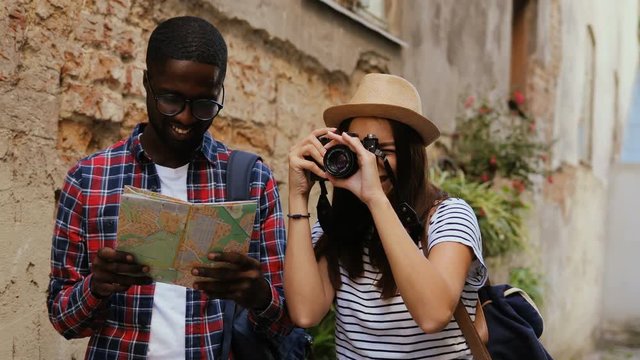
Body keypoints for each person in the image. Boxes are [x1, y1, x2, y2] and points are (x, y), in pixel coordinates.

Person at [47, 16, 290, 359]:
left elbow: (288, 322)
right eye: (171, 99)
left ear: (220, 91)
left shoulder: (252, 180)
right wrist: (96, 287)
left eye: (205, 103)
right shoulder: (88, 180)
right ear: (146, 83)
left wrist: (259, 296)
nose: (186, 118)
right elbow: (63, 320)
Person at [285, 73, 488, 359]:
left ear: (411, 156)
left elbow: (433, 315)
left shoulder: (449, 216)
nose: (369, 160)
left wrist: (376, 199)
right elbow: (305, 313)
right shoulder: (337, 227)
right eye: (358, 147)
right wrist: (298, 195)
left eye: (383, 150)